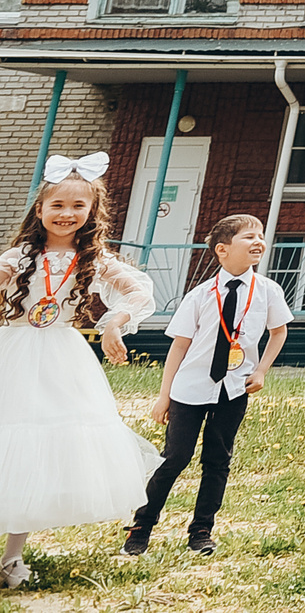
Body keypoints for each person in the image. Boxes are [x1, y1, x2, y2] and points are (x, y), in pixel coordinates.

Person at [0, 157, 158, 589]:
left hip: (60, 360)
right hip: (10, 351)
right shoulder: (18, 256)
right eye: (57, 205)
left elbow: (140, 289)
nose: (66, 213)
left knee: (32, 453)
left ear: (91, 212)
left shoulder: (95, 259)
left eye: (78, 206)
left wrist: (114, 321)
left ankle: (12, 558)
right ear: (40, 209)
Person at [128, 213, 291, 558]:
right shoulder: (201, 295)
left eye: (260, 235)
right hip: (190, 389)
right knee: (175, 457)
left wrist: (260, 370)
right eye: (249, 236)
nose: (258, 241)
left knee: (218, 460)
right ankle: (142, 525)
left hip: (233, 390)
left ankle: (201, 530)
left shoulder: (267, 291)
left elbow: (279, 332)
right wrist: (163, 396)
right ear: (222, 249)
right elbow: (180, 346)